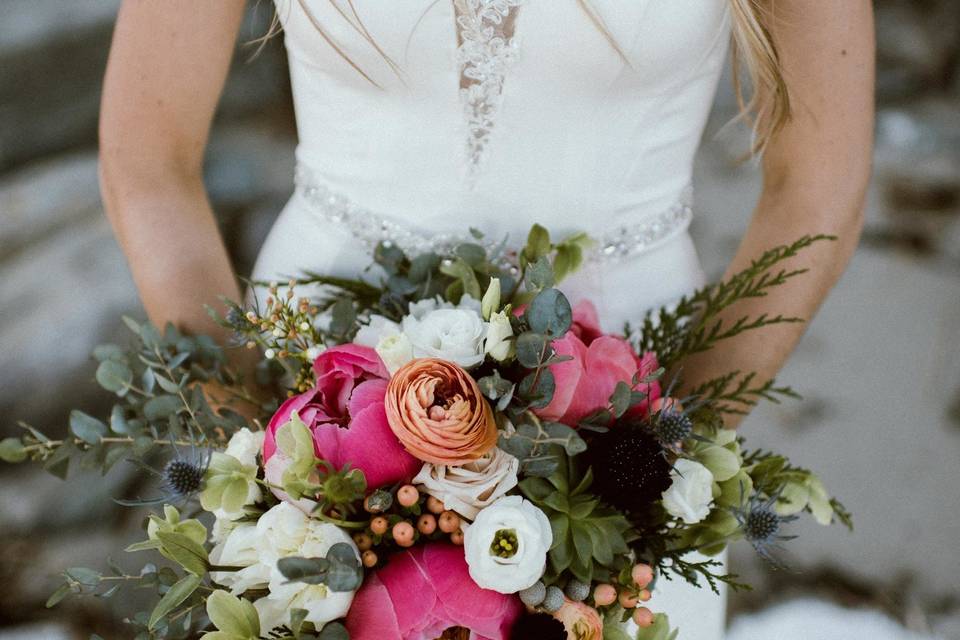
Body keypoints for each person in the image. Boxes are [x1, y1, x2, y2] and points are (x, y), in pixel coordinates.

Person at [98, 2, 874, 637]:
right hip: (309, 395)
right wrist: (259, 446)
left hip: (629, 396)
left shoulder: (652, 448)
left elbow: (817, 185)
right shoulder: (286, 452)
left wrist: (664, 465)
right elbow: (148, 156)